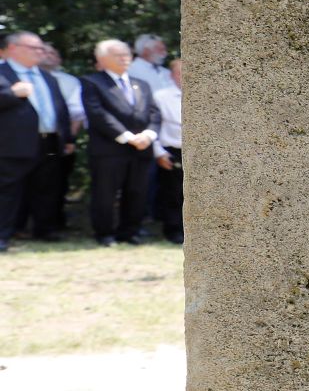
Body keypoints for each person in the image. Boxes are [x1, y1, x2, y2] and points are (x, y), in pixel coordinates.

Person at [1, 32, 75, 252]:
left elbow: (60, 108)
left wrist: (67, 138)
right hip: (12, 143)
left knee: (47, 188)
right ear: (13, 48)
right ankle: (3, 234)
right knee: (8, 191)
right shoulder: (3, 73)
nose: (41, 52)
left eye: (42, 48)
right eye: (35, 48)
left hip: (49, 142)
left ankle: (45, 230)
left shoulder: (47, 76)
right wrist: (11, 94)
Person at [84, 39, 161, 246]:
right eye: (118, 55)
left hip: (142, 148)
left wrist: (149, 135)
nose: (125, 58)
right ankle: (105, 233)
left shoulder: (141, 84)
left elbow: (154, 114)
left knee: (137, 191)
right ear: (102, 59)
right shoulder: (93, 82)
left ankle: (130, 231)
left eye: (127, 54)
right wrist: (128, 137)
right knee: (105, 193)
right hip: (109, 149)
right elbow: (98, 114)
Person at [152, 59, 185, 245]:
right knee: (172, 194)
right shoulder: (161, 97)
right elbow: (154, 126)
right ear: (172, 76)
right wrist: (158, 153)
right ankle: (173, 230)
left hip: (198, 154)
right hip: (172, 150)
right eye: (180, 72)